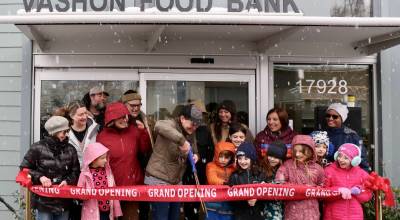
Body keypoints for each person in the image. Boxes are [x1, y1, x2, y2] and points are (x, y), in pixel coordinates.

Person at [144, 104, 202, 220]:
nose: (194, 128)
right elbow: (159, 126)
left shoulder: (190, 131)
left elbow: (193, 148)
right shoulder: (170, 124)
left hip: (176, 182)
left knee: (174, 217)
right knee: (161, 217)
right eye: (192, 124)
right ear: (182, 118)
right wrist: (181, 141)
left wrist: (196, 155)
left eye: (197, 125)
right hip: (159, 180)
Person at [97, 102, 151, 220]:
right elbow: (98, 163)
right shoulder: (102, 137)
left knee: (131, 217)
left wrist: (143, 132)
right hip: (112, 186)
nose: (125, 119)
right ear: (112, 119)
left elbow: (144, 149)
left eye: (126, 116)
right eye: (121, 117)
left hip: (133, 185)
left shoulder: (134, 131)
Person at [20, 116, 80, 220]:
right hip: (43, 202)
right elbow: (24, 168)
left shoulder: (71, 149)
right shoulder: (37, 148)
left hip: (63, 201)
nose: (66, 134)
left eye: (67, 131)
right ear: (54, 132)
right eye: (63, 132)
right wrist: (40, 177)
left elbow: (76, 171)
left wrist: (68, 181)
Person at [275, 135, 325, 220]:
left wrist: (315, 189)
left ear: (310, 151)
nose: (297, 154)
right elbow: (279, 183)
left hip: (312, 214)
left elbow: (323, 188)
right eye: (295, 151)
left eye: (302, 151)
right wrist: (299, 189)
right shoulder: (287, 165)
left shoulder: (318, 168)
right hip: (292, 213)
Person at [121, 90, 154, 220]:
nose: (136, 108)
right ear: (124, 104)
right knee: (127, 208)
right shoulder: (121, 120)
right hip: (127, 169)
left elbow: (151, 144)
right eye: (132, 105)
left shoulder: (146, 120)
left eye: (138, 105)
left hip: (145, 168)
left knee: (144, 206)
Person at [323, 143, 372, 220]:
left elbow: (368, 193)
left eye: (346, 158)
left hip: (355, 215)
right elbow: (322, 193)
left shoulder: (361, 173)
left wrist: (359, 190)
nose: (341, 160)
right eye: (339, 156)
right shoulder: (329, 171)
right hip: (333, 215)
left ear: (354, 161)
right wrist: (338, 191)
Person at [78, 142, 122, 220]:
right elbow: (79, 192)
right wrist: (85, 195)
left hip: (108, 211)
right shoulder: (85, 174)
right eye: (102, 158)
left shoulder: (108, 172)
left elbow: (114, 191)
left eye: (105, 157)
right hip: (92, 213)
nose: (105, 160)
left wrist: (117, 210)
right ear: (93, 159)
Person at [324, 103, 370, 171]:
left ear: (342, 118)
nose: (330, 118)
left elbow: (362, 160)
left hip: (346, 177)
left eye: (335, 116)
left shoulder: (351, 136)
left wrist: (364, 178)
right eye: (328, 115)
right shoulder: (322, 134)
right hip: (326, 176)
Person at [228, 142, 265, 220]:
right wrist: (245, 199)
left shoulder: (260, 174)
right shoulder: (234, 176)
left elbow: (267, 195)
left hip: (257, 215)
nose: (242, 162)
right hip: (240, 216)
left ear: (252, 159)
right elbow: (230, 198)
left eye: (246, 158)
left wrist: (257, 198)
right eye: (240, 158)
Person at [205, 141, 236, 220]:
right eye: (220, 156)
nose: (223, 160)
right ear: (216, 155)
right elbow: (212, 179)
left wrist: (236, 165)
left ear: (231, 158)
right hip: (213, 202)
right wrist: (226, 183)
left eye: (226, 157)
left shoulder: (233, 168)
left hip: (228, 202)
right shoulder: (211, 166)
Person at [64, 100, 99, 168]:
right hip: (72, 173)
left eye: (85, 113)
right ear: (71, 116)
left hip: (91, 171)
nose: (85, 116)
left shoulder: (95, 129)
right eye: (80, 115)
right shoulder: (64, 132)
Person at [259, 141, 287, 220]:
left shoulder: (285, 170)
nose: (272, 159)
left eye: (276, 157)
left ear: (281, 159)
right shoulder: (261, 167)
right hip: (264, 208)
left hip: (281, 207)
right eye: (270, 156)